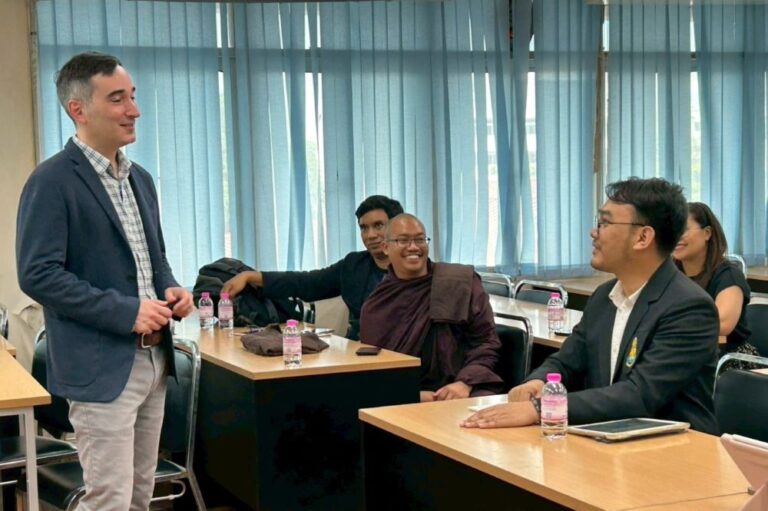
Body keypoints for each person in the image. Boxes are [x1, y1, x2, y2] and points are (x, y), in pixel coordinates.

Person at [16, 52, 194, 510]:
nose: (134, 109)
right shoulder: (52, 180)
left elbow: (153, 262)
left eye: (132, 96)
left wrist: (170, 287)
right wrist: (127, 309)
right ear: (79, 109)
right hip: (100, 367)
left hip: (155, 359)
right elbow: (38, 275)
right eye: (118, 99)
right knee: (109, 500)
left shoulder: (141, 180)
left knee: (140, 496)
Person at [462, 177, 720, 434]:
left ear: (643, 237)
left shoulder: (689, 307)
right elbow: (567, 362)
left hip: (674, 452)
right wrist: (538, 382)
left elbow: (639, 395)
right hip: (610, 438)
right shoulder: (603, 297)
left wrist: (540, 408)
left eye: (605, 223)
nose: (594, 232)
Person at [360, 213, 503, 402]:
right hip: (403, 394)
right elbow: (375, 364)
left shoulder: (459, 281)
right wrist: (411, 395)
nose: (413, 247)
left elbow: (486, 342)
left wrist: (464, 383)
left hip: (461, 389)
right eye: (403, 240)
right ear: (386, 247)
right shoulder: (378, 302)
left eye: (420, 239)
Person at [221, 195, 403, 340]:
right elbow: (307, 283)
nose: (370, 235)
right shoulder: (354, 265)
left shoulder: (415, 269)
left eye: (378, 226)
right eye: (364, 228)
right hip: (359, 352)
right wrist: (251, 276)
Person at [673, 202, 759, 367]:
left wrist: (670, 325)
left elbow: (722, 324)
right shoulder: (669, 274)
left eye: (683, 229)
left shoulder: (728, 275)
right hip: (681, 352)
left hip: (727, 359)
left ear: (707, 233)